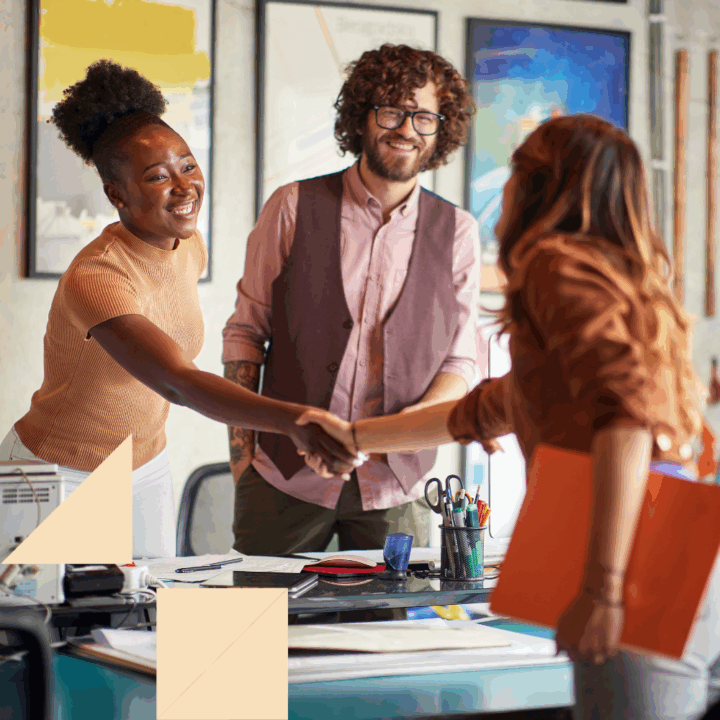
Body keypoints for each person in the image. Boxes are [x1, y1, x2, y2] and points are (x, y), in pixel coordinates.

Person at [299, 114, 720, 719]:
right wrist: (355, 436)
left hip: (639, 552)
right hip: (685, 532)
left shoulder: (555, 263)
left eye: (519, 168)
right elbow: (486, 409)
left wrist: (603, 590)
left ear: (541, 183)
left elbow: (626, 418)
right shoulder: (627, 283)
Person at [0, 60, 358, 559]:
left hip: (145, 464)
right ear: (116, 194)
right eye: (158, 177)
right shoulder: (97, 276)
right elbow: (177, 380)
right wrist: (295, 420)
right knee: (45, 627)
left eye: (188, 165)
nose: (185, 186)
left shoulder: (187, 246)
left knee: (145, 618)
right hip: (59, 472)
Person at [223, 44, 480, 555]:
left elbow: (461, 360)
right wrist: (241, 457)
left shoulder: (459, 233)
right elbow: (246, 334)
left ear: (439, 128)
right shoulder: (292, 207)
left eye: (423, 116)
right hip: (283, 479)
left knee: (383, 633)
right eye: (391, 111)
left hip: (396, 491)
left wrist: (399, 435)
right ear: (361, 116)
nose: (407, 128)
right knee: (256, 630)